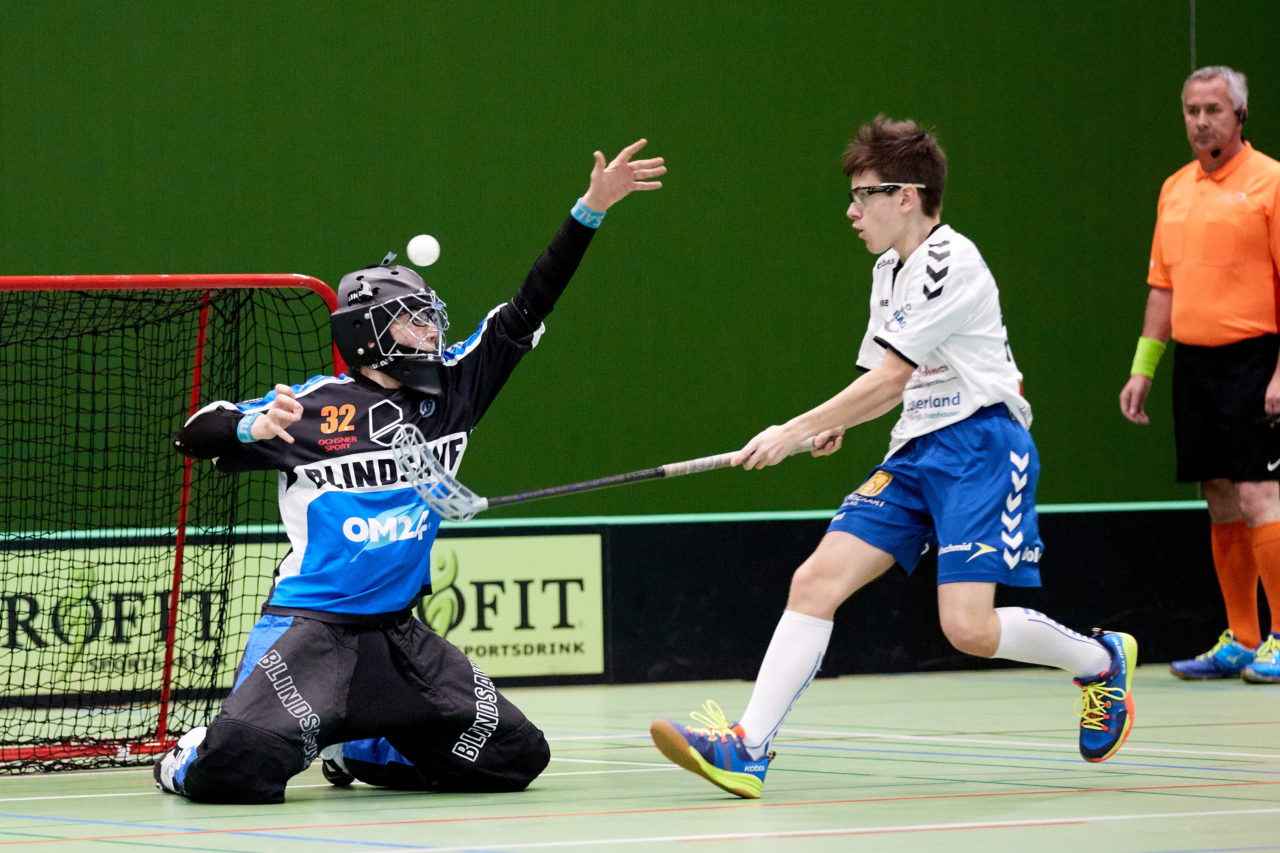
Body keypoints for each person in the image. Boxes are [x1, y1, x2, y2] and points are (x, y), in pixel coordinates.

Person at [154, 139, 666, 803]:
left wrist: (590, 209)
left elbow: (527, 307)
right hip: (311, 629)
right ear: (369, 334)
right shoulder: (311, 407)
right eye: (414, 321)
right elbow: (192, 434)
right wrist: (249, 426)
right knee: (240, 770)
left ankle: (364, 745)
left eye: (431, 319)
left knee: (513, 755)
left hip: (401, 636)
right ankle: (189, 754)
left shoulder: (457, 388)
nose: (432, 331)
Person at [649, 117, 1136, 800]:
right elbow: (879, 380)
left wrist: (791, 429)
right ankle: (748, 747)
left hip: (980, 443)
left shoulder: (950, 262)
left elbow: (888, 379)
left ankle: (1101, 658)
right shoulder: (888, 270)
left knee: (967, 627)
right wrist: (834, 427)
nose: (851, 212)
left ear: (906, 195)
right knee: (815, 579)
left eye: (863, 195)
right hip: (914, 449)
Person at [1119, 65, 1280, 684]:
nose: (1201, 120)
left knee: (1259, 494)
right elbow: (1164, 284)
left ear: (1239, 115)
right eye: (1191, 110)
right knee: (1218, 498)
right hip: (1197, 362)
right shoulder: (1175, 189)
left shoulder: (1269, 182)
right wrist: (1144, 370)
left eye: (1213, 109)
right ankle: (1242, 637)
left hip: (1258, 358)